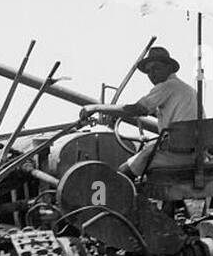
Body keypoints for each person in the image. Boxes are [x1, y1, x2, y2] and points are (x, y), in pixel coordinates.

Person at [78, 46, 199, 180]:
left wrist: (96, 108)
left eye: (156, 68)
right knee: (145, 155)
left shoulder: (167, 86)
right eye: (148, 71)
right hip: (195, 153)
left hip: (176, 154)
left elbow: (137, 109)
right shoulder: (186, 89)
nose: (152, 74)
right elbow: (152, 111)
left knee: (123, 173)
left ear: (169, 67)